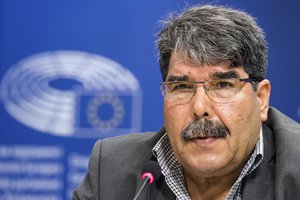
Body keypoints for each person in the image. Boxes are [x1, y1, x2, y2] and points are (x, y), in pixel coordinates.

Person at [72, 4, 300, 200]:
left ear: (261, 99)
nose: (200, 108)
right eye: (182, 87)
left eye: (222, 85)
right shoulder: (113, 169)